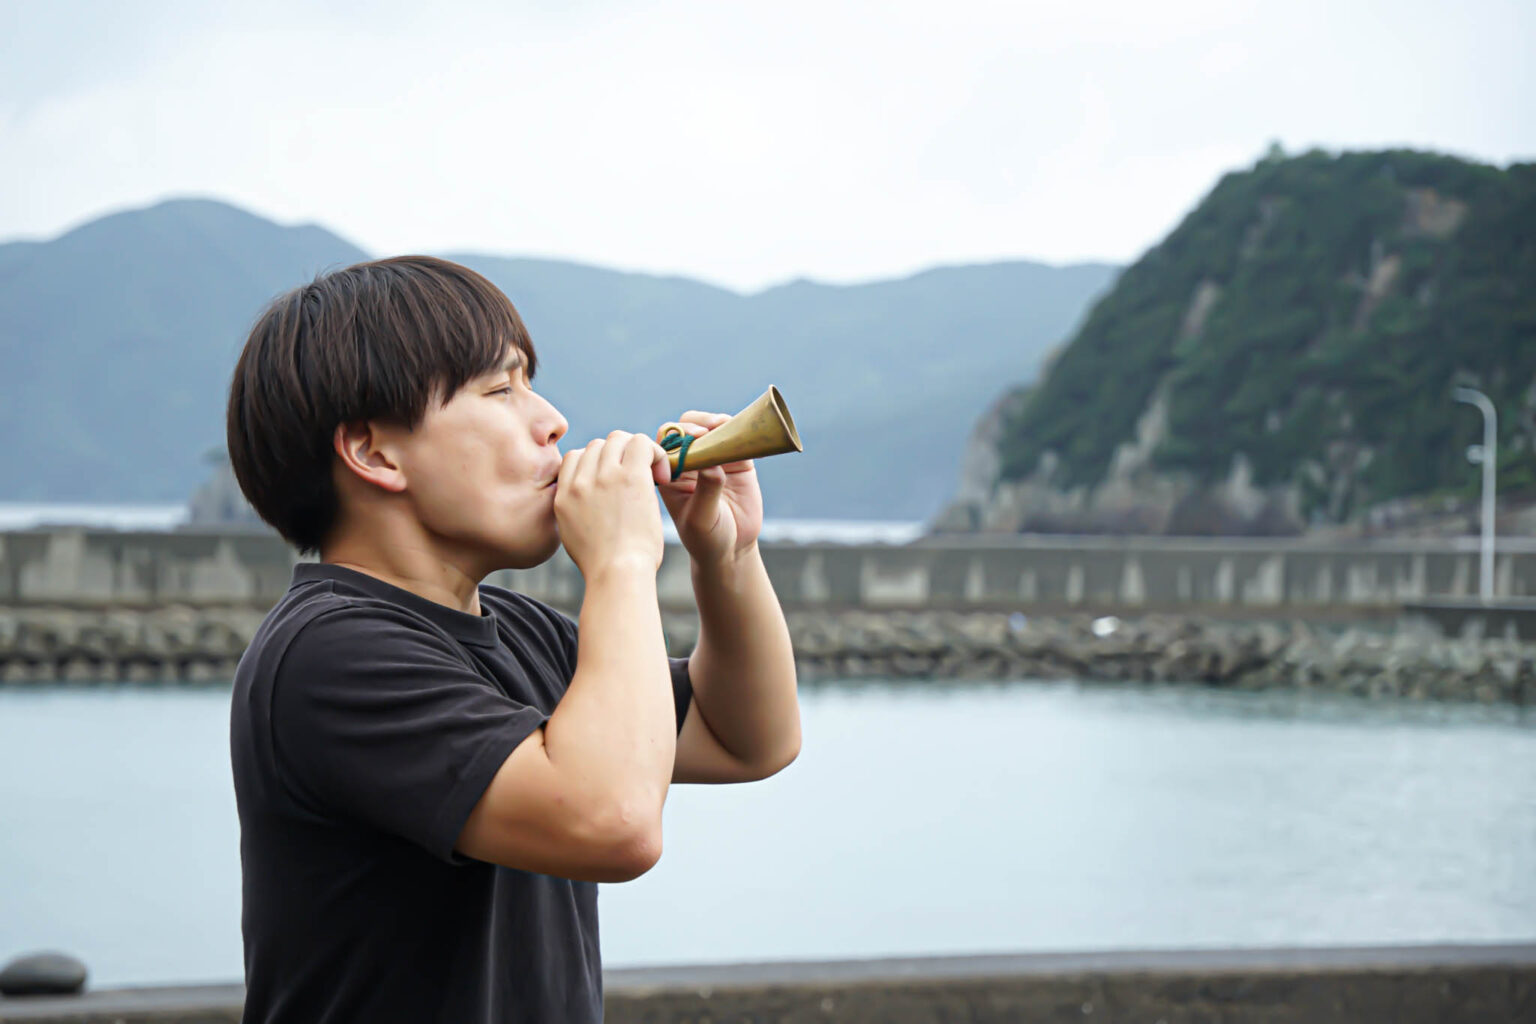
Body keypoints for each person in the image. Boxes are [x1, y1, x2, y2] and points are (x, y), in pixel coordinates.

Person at [225, 255, 801, 1024]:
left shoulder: (522, 631)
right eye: (501, 390)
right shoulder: (329, 655)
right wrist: (623, 560)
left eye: (530, 382)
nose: (552, 421)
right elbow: (612, 822)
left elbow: (746, 740)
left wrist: (727, 557)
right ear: (374, 453)